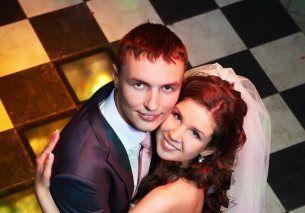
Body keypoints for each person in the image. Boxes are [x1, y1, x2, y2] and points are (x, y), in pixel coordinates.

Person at [36, 64, 271, 212]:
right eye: (177, 116)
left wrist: (43, 193)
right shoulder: (190, 176)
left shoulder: (163, 199)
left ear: (208, 149)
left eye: (195, 133)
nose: (174, 134)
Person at [46, 22, 187, 212]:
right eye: (139, 85)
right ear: (116, 77)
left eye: (167, 88)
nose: (153, 105)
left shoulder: (167, 113)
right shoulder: (81, 175)